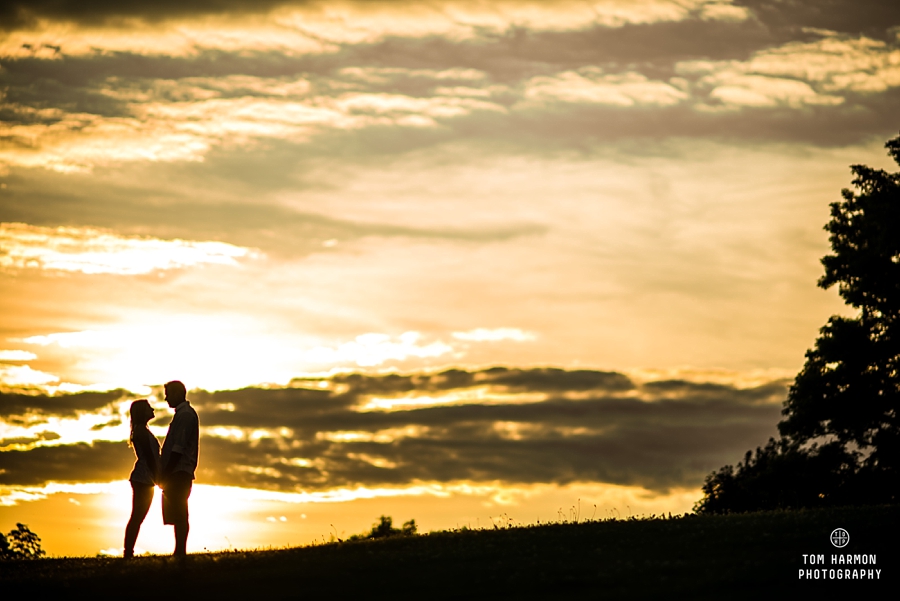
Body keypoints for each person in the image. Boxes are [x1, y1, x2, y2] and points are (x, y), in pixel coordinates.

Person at [160, 380, 199, 556]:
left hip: (179, 470)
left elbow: (178, 447)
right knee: (177, 511)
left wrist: (166, 472)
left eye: (168, 394)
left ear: (177, 394)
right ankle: (179, 550)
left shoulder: (185, 415)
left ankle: (180, 550)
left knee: (180, 511)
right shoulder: (182, 414)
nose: (166, 398)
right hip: (178, 470)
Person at [124, 399, 160, 558]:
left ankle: (128, 551)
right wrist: (158, 477)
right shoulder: (141, 432)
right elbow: (151, 457)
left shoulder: (142, 430)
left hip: (146, 477)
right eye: (148, 408)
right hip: (144, 477)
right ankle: (128, 552)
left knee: (138, 516)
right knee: (137, 516)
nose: (152, 409)